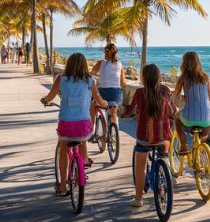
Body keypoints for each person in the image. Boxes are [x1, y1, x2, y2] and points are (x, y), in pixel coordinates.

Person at [40, 53, 107, 196]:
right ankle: (83, 163)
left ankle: (63, 187)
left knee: (63, 147)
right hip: (83, 125)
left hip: (66, 124)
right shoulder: (90, 81)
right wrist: (105, 104)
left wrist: (45, 100)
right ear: (84, 66)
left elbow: (50, 96)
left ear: (68, 64)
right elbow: (99, 100)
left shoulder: (61, 80)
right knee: (82, 140)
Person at [120, 64, 176, 208]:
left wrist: (123, 114)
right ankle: (165, 168)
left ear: (143, 77)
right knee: (165, 145)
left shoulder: (139, 93)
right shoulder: (165, 91)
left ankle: (138, 199)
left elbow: (130, 110)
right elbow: (173, 110)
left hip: (144, 139)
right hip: (163, 138)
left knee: (141, 166)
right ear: (158, 77)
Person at [172, 51, 210, 155]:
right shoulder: (206, 77)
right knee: (203, 133)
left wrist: (183, 98)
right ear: (198, 62)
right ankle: (201, 149)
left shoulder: (183, 77)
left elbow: (175, 94)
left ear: (184, 63)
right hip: (206, 120)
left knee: (177, 118)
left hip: (189, 118)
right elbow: (209, 97)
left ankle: (184, 146)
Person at [90, 43, 126, 127]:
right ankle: (114, 132)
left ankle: (91, 129)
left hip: (103, 93)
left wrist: (100, 77)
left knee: (93, 105)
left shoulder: (101, 62)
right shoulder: (120, 64)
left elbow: (91, 74)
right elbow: (123, 82)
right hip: (116, 94)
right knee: (113, 113)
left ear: (106, 52)